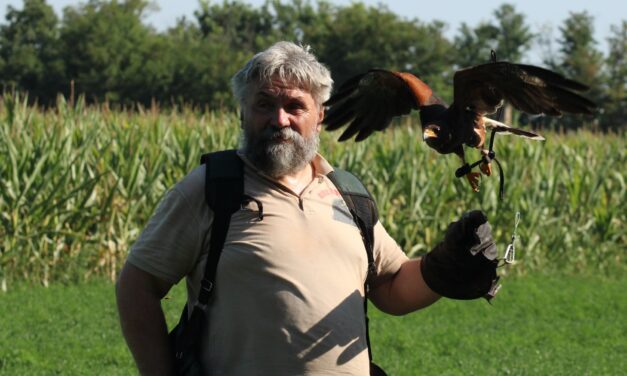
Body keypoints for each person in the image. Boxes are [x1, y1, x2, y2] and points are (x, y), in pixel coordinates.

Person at [116, 41, 498, 375]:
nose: (279, 119)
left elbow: (391, 286)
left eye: (294, 106)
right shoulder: (210, 189)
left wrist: (445, 268)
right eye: (264, 104)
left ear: (320, 116)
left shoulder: (347, 194)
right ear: (242, 114)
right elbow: (138, 286)